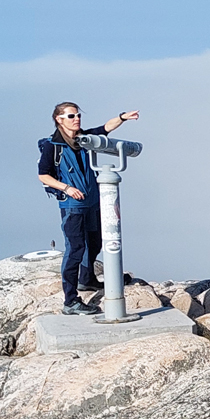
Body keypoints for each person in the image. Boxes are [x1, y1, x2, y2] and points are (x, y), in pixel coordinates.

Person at [37, 102, 141, 315]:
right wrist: (67, 188)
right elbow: (43, 174)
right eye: (71, 116)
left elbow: (105, 129)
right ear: (59, 119)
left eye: (77, 115)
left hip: (92, 201)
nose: (76, 119)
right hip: (72, 205)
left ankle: (87, 279)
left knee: (94, 243)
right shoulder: (52, 145)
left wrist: (122, 117)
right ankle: (70, 301)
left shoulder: (84, 139)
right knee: (75, 249)